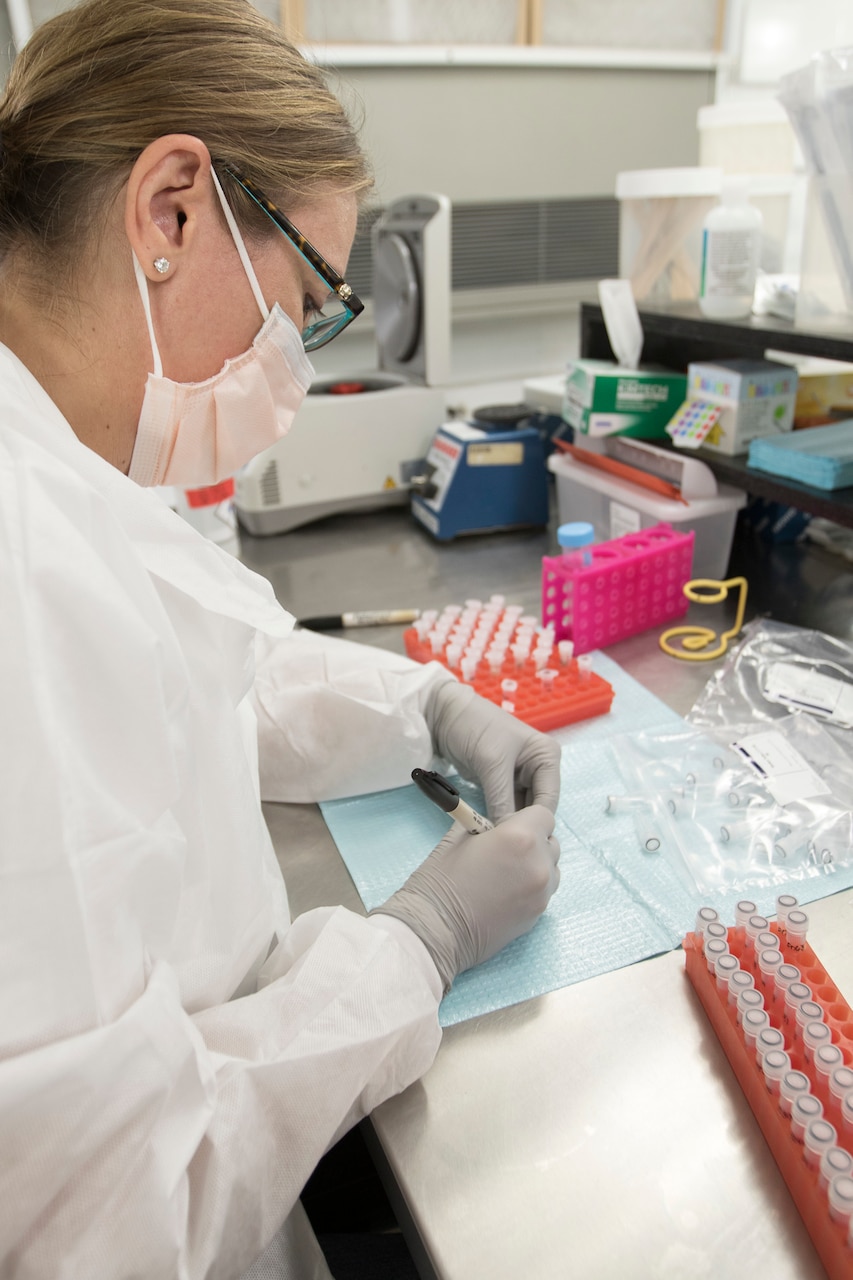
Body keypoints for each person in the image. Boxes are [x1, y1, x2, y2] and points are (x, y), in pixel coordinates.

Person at [0, 2, 562, 1277]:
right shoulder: (19, 550)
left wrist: (428, 706)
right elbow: (110, 1209)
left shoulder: (65, 457)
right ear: (171, 211)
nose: (294, 370)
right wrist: (414, 945)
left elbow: (214, 671)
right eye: (302, 306)